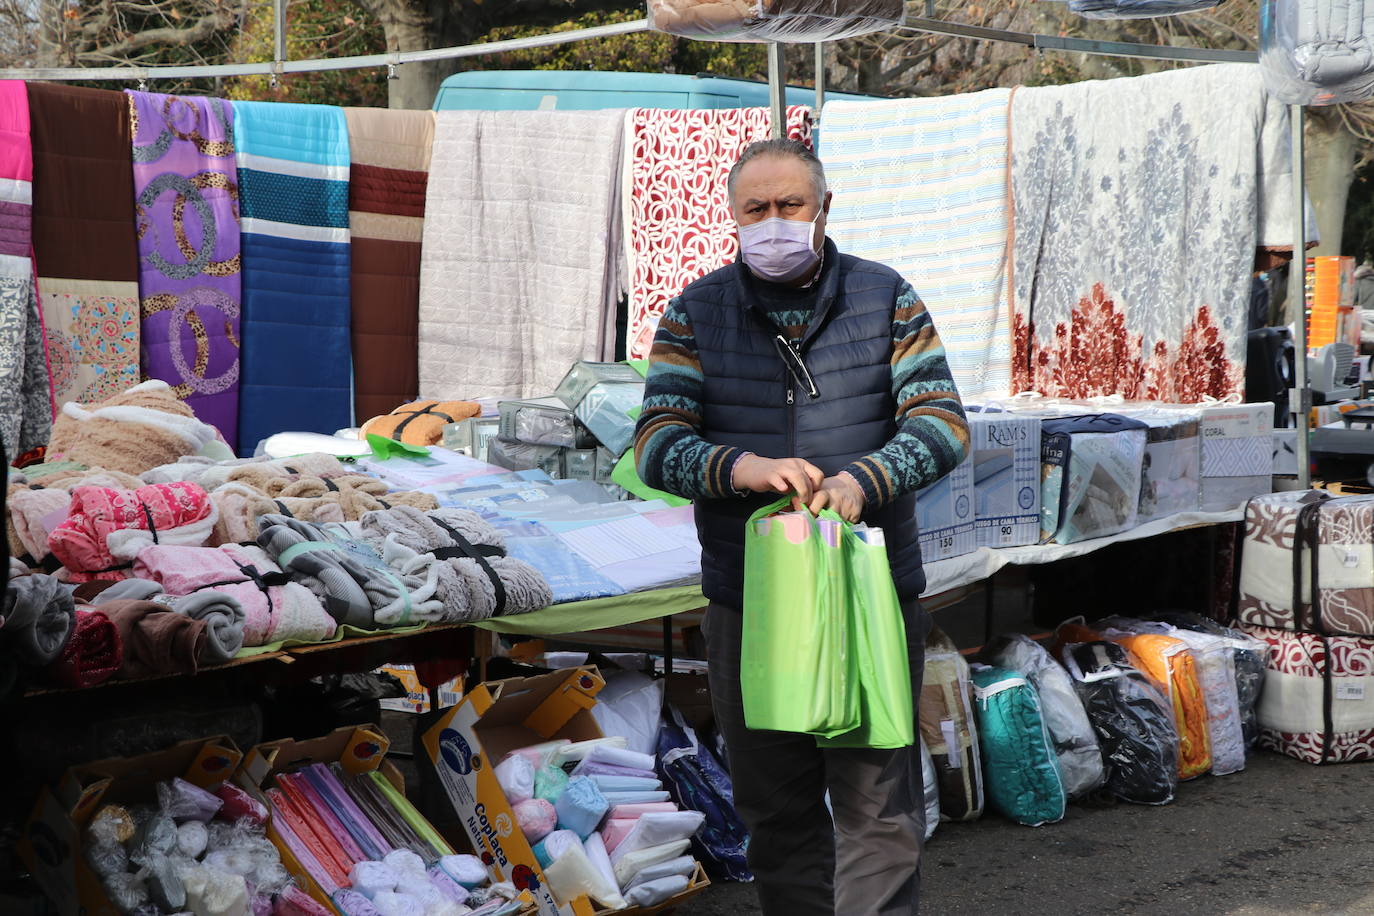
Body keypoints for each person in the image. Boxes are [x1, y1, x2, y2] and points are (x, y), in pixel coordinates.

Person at [633, 139, 969, 915]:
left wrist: (864, 480)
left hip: (872, 596)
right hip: (750, 605)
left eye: (791, 206)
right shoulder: (696, 311)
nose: (775, 223)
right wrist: (741, 468)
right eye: (757, 210)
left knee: (876, 809)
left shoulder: (887, 298)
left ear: (824, 210)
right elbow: (655, 444)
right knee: (776, 812)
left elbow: (945, 426)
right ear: (732, 217)